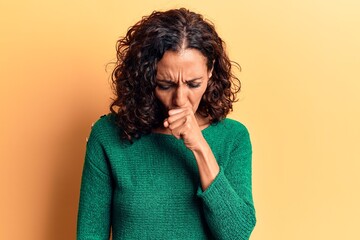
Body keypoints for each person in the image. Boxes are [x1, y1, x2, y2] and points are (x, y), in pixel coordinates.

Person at [77, 8, 256, 240]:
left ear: (210, 71)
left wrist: (201, 147)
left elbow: (237, 234)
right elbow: (89, 234)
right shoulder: (108, 136)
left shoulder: (233, 137)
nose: (180, 99)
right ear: (147, 76)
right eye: (165, 85)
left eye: (193, 84)